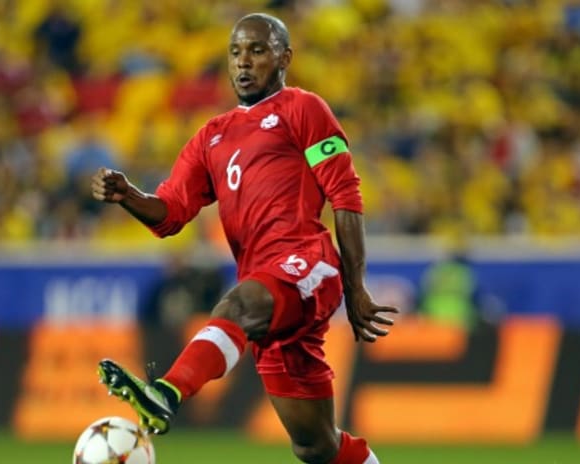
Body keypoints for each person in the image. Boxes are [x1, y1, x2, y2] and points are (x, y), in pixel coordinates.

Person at [91, 13, 396, 464]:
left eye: (257, 50)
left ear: (284, 57)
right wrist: (129, 196)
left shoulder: (302, 108)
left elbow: (345, 198)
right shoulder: (211, 137)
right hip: (268, 294)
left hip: (307, 265)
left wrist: (355, 288)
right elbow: (170, 214)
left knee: (234, 305)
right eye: (235, 52)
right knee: (316, 445)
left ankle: (166, 393)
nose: (243, 62)